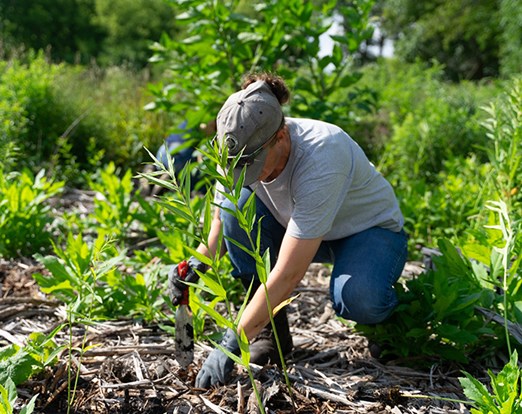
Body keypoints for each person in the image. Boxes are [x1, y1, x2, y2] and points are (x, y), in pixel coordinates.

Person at [168, 73, 408, 388]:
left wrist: (232, 341)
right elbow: (219, 225)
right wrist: (195, 264)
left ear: (280, 136)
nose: (247, 175)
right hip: (298, 225)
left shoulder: (323, 154)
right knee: (235, 216)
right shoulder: (237, 145)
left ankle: (388, 325)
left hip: (366, 232)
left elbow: (288, 275)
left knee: (358, 297)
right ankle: (271, 336)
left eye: (253, 166)